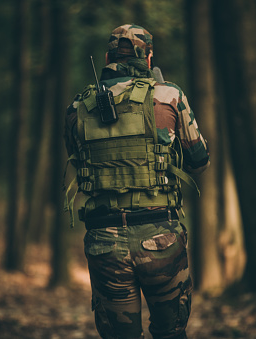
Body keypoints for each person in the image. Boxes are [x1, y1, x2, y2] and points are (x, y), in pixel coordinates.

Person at [64, 24, 210, 339]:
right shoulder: (169, 95)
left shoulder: (78, 108)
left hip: (105, 241)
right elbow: (200, 160)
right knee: (170, 332)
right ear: (148, 58)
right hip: (161, 237)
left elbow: (79, 160)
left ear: (107, 58)